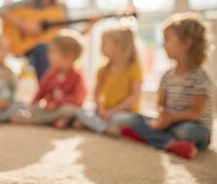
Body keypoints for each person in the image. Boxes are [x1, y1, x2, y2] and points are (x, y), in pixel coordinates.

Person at [122, 12, 214, 159]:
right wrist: (162, 114)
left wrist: (170, 120)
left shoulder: (200, 77)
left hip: (195, 127)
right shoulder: (167, 75)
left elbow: (195, 113)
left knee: (184, 132)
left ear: (186, 43)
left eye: (167, 40)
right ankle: (170, 143)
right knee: (134, 119)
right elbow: (160, 104)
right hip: (169, 123)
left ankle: (153, 138)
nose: (163, 45)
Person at [0, 0, 96, 80]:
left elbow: (70, 34)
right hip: (31, 49)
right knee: (43, 49)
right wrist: (25, 25)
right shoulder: (29, 3)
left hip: (56, 49)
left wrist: (91, 25)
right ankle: (47, 88)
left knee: (61, 52)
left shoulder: (61, 8)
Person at [74, 27, 142, 136]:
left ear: (120, 46)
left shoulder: (133, 69)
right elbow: (96, 93)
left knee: (124, 119)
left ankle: (96, 125)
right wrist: (101, 109)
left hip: (125, 111)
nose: (102, 47)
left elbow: (134, 97)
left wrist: (113, 111)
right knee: (80, 112)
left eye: (105, 44)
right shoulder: (103, 69)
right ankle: (106, 127)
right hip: (105, 110)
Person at [12, 30, 87, 129]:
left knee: (69, 110)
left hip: (64, 108)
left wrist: (56, 104)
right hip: (50, 109)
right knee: (31, 108)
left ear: (69, 57)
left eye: (53, 52)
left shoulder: (78, 76)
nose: (48, 55)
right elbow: (41, 91)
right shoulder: (51, 73)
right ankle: (59, 120)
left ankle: (37, 120)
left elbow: (77, 99)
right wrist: (33, 106)